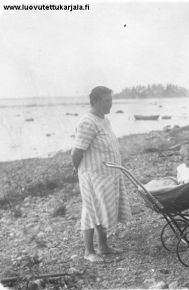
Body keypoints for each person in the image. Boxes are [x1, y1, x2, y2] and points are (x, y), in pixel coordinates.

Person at [71, 86, 132, 263]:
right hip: (93, 175)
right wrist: (77, 169)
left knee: (104, 209)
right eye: (107, 102)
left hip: (108, 174)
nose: (110, 105)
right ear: (95, 101)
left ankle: (103, 247)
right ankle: (89, 252)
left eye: (111, 101)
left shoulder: (104, 120)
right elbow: (76, 152)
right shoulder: (87, 122)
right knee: (91, 211)